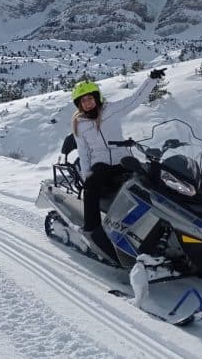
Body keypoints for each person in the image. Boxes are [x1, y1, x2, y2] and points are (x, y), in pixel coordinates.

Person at [71, 68, 166, 263]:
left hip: (123, 159)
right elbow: (83, 151)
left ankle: (162, 222)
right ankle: (92, 229)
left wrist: (151, 80)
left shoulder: (111, 109)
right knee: (91, 185)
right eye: (83, 101)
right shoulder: (79, 125)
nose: (87, 103)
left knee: (150, 180)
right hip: (102, 164)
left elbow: (135, 99)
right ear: (79, 104)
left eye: (89, 98)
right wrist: (85, 173)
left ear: (96, 97)